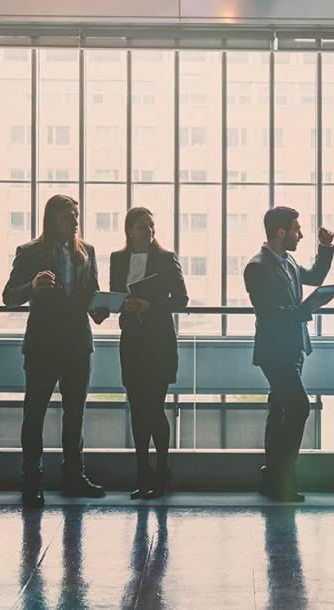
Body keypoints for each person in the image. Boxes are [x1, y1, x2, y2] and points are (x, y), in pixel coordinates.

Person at [3, 194, 110, 508]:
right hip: (43, 346)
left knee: (74, 415)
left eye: (77, 216)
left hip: (78, 346)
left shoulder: (86, 252)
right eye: (69, 217)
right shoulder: (29, 253)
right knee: (33, 414)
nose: (75, 222)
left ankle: (74, 477)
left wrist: (101, 310)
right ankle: (31, 481)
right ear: (53, 220)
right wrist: (32, 287)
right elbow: (9, 296)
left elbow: (91, 295)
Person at [243, 206, 334, 502]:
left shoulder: (288, 261)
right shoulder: (257, 267)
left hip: (293, 348)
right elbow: (269, 313)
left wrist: (325, 248)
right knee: (299, 408)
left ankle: (272, 478)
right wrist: (308, 309)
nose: (300, 235)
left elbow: (316, 276)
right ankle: (282, 478)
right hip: (275, 351)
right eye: (296, 230)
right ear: (281, 233)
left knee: (280, 410)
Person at [109, 207, 189, 499]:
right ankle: (143, 474)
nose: (149, 231)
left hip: (159, 342)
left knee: (153, 407)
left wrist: (151, 306)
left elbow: (181, 299)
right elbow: (116, 294)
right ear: (130, 230)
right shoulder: (118, 259)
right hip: (131, 341)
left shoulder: (166, 259)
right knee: (138, 409)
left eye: (152, 226)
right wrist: (122, 305)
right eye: (143, 226)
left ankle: (162, 472)